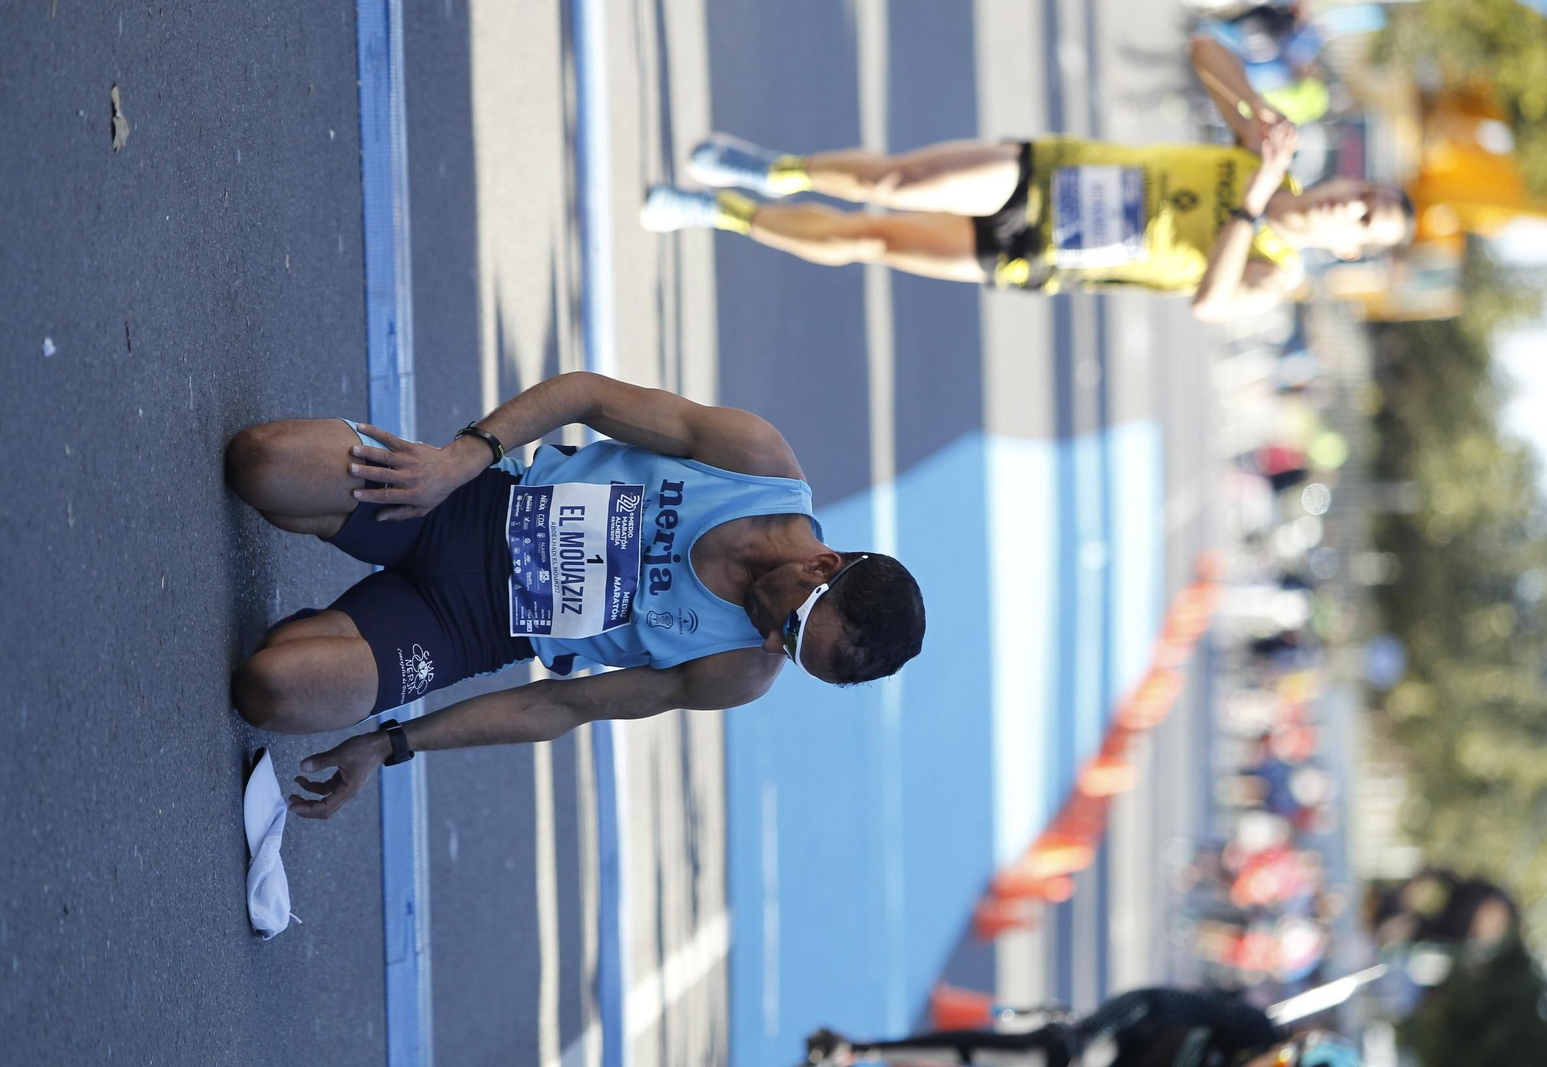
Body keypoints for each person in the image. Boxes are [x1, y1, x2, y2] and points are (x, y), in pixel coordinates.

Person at [225, 371, 926, 819]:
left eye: (794, 659)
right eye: (795, 631)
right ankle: (346, 558)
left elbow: (558, 705)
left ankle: (349, 636)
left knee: (271, 687)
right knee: (258, 464)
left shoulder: (739, 669)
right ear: (822, 564)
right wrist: (457, 460)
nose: (774, 645)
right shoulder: (754, 461)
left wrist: (392, 743)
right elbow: (586, 395)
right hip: (458, 509)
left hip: (465, 628)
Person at [640, 35, 1411, 323]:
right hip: (1047, 178)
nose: (1356, 205)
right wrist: (1258, 104)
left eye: (1366, 223)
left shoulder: (1274, 274)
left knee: (868, 239)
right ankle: (777, 171)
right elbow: (1204, 50)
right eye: (1370, 194)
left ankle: (722, 213)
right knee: (897, 184)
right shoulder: (1263, 150)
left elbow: (1211, 304)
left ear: (1349, 251)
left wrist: (1247, 208)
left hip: (1042, 253)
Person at [804, 987, 1359, 1067]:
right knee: (1029, 1058)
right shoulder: (1248, 1027)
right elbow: (1154, 1000)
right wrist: (1092, 1029)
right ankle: (860, 1049)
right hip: (1100, 1048)